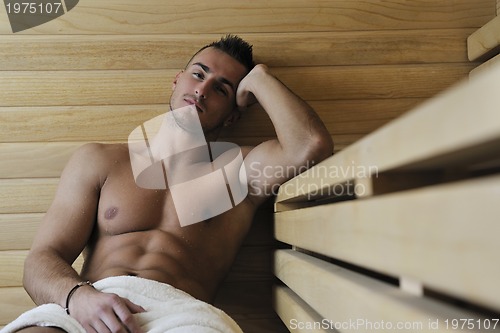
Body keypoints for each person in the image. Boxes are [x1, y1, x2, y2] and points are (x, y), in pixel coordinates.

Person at [4, 35, 333, 333]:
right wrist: (77, 297)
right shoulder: (100, 160)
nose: (202, 90)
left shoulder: (240, 172)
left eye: (221, 89)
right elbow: (41, 260)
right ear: (177, 80)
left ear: (233, 116)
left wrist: (259, 79)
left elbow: (310, 145)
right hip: (92, 305)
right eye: (198, 74)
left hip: (183, 317)